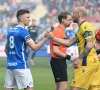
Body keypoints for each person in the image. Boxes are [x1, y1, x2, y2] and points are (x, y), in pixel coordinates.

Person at [47, 6, 100, 90]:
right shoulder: (81, 28)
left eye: (73, 14)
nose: (72, 16)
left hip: (86, 63)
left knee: (74, 88)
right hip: (94, 62)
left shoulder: (85, 26)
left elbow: (89, 44)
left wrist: (79, 59)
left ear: (78, 15)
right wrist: (53, 37)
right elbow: (68, 43)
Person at [4, 9, 48, 90]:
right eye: (27, 17)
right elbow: (35, 48)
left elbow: (6, 49)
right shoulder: (23, 31)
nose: (29, 19)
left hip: (10, 66)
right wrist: (46, 38)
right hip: (21, 65)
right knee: (29, 88)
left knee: (9, 88)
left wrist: (13, 58)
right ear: (21, 19)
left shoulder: (10, 31)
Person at [49, 12, 76, 90]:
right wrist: (69, 57)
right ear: (63, 20)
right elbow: (55, 50)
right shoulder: (58, 31)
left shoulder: (60, 30)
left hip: (59, 61)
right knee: (63, 87)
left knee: (58, 87)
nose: (71, 21)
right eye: (69, 20)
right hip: (58, 61)